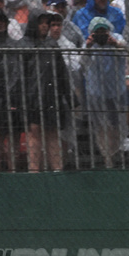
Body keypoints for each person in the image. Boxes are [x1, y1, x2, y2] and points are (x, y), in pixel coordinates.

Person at [21, 11, 73, 171]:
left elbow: (62, 72)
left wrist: (71, 99)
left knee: (52, 132)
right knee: (34, 131)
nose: (44, 26)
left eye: (46, 23)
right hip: (32, 96)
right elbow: (19, 74)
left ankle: (57, 170)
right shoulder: (24, 45)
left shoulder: (52, 44)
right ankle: (34, 171)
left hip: (52, 95)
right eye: (41, 22)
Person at [81, 16, 129, 167]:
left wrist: (115, 44)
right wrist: (88, 47)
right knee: (101, 125)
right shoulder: (89, 43)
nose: (101, 35)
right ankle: (106, 156)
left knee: (115, 124)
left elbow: (128, 50)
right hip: (97, 91)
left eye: (104, 31)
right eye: (98, 32)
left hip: (116, 90)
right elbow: (82, 63)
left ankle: (116, 151)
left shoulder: (116, 39)